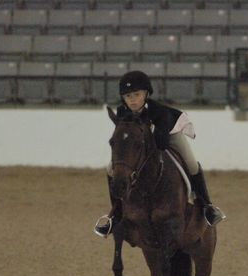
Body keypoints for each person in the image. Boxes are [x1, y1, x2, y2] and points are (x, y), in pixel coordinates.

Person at [94, 70, 225, 238]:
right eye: (128, 96)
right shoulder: (122, 113)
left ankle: (207, 207)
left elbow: (161, 143)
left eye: (136, 94)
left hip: (168, 135)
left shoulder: (159, 111)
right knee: (110, 169)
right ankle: (115, 214)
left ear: (146, 94)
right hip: (141, 145)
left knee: (191, 164)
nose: (132, 100)